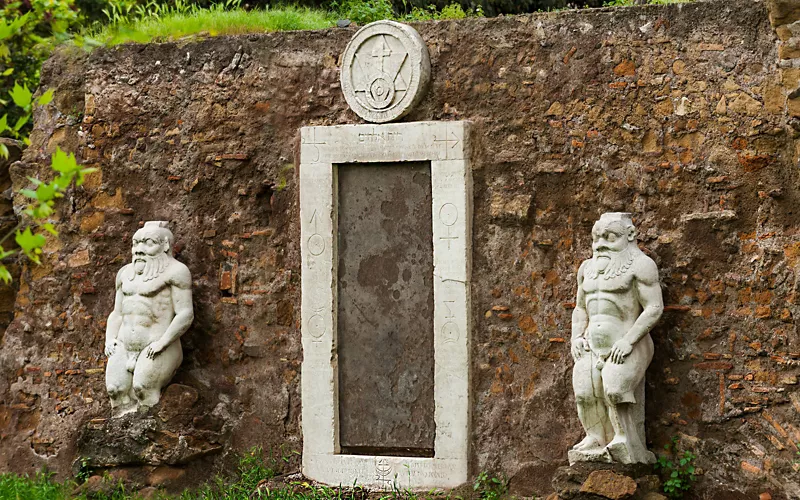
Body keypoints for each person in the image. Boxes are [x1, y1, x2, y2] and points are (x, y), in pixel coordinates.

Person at [569, 212, 663, 464]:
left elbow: (654, 307)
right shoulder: (587, 269)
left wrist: (628, 341)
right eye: (597, 238)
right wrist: (576, 336)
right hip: (591, 343)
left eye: (610, 237)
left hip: (628, 341)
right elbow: (580, 307)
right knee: (584, 391)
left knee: (614, 387)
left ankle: (625, 439)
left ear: (629, 236)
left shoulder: (641, 265)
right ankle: (595, 436)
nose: (601, 244)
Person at [105, 221, 193, 416]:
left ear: (166, 245)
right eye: (136, 244)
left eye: (148, 243)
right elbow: (117, 313)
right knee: (114, 389)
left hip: (156, 345)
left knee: (143, 388)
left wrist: (162, 343)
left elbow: (185, 314)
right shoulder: (125, 274)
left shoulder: (176, 272)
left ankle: (150, 435)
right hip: (124, 344)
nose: (139, 250)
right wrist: (109, 339)